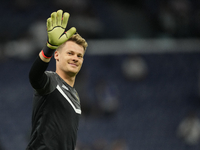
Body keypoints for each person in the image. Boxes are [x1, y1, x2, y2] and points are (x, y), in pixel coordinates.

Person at [26, 10, 88, 150]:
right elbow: (35, 77)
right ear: (57, 55)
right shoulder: (52, 81)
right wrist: (49, 47)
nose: (75, 58)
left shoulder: (75, 96)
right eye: (70, 53)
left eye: (79, 55)